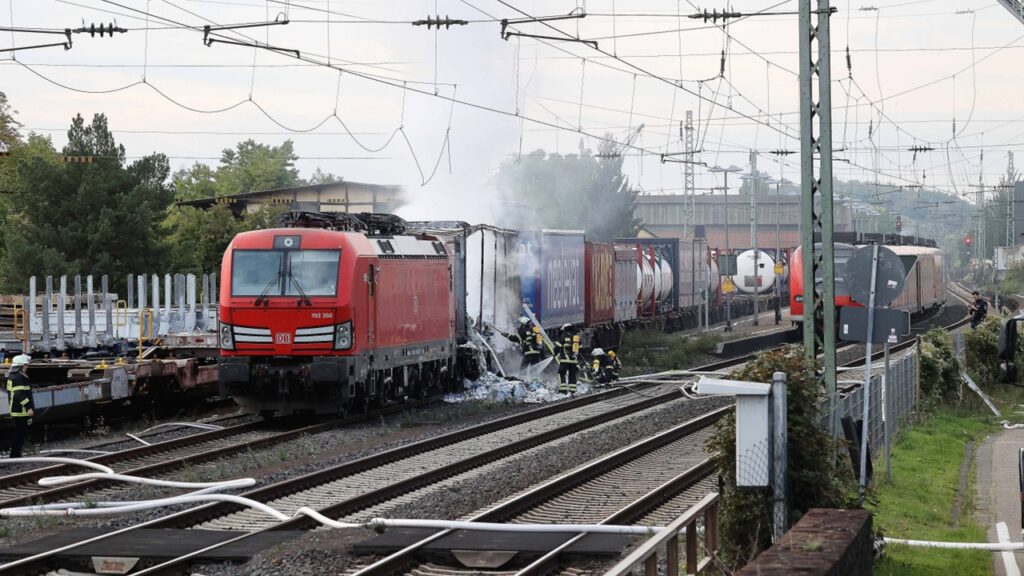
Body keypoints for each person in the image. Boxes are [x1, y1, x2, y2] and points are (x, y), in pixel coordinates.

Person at [7, 354, 34, 458]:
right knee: (20, 433)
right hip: (20, 410)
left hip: (18, 410)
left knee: (20, 432)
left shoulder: (15, 376)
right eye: (25, 365)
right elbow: (19, 395)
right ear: (21, 366)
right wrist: (28, 407)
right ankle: (15, 455)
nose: (27, 367)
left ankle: (16, 453)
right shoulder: (18, 377)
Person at [556, 330, 580, 395]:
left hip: (565, 360)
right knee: (572, 374)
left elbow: (557, 347)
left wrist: (555, 353)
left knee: (561, 373)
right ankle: (572, 390)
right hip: (573, 361)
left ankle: (563, 390)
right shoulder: (575, 338)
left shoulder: (563, 336)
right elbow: (580, 349)